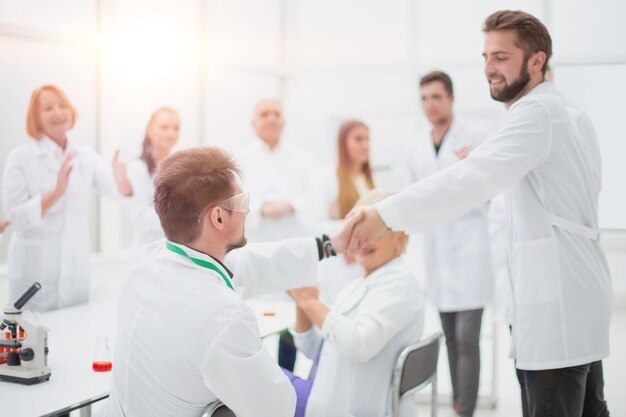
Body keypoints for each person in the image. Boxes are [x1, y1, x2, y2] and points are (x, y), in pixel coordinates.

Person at [345, 10, 611, 417]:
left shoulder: (535, 114)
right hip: (574, 298)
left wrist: (384, 214)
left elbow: (468, 179)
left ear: (537, 61)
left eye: (501, 57)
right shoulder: (563, 114)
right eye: (485, 57)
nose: (489, 68)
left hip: (555, 306)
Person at [102, 147, 358, 417]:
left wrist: (331, 244)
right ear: (219, 217)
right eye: (243, 202)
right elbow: (276, 409)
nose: (248, 211)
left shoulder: (149, 261)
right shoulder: (223, 315)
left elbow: (259, 262)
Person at [287, 190, 423, 417]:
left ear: (402, 237)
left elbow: (358, 344)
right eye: (358, 232)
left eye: (376, 232)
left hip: (344, 407)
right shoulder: (358, 286)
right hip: (324, 398)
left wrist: (311, 303)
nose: (364, 240)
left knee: (245, 382)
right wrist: (301, 302)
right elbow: (313, 350)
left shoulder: (398, 284)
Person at [1, 85, 132, 312]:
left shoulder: (85, 156)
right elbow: (16, 218)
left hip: (76, 273)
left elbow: (119, 195)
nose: (58, 112)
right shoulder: (20, 158)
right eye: (48, 108)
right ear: (36, 119)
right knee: (32, 339)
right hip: (34, 274)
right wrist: (56, 193)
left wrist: (122, 181)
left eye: (62, 106)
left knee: (74, 334)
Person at [407, 71, 492, 417]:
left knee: (469, 339)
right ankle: (459, 404)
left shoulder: (476, 138)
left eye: (436, 97)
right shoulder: (416, 149)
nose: (430, 104)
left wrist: (471, 164)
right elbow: (414, 199)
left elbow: (491, 192)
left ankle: (465, 410)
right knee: (451, 339)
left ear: (451, 99)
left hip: (470, 248)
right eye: (424, 98)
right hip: (438, 254)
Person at [236, 98, 314, 371]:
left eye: (276, 114)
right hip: (256, 248)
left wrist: (290, 205)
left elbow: (312, 199)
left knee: (290, 321)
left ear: (284, 122)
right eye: (264, 114)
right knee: (253, 319)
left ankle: (287, 378)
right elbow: (234, 202)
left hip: (290, 248)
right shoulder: (239, 160)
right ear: (253, 122)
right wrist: (260, 209)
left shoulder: (302, 158)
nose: (271, 119)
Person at [308, 120, 375, 305]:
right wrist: (354, 227)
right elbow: (314, 225)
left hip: (365, 264)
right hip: (338, 267)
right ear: (343, 143)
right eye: (358, 139)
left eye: (367, 139)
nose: (365, 145)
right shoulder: (324, 178)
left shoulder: (367, 179)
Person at [125, 107, 180, 247]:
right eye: (164, 127)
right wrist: (182, 217)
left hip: (175, 249)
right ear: (150, 130)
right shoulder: (138, 168)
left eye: (176, 128)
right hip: (148, 253)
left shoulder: (181, 166)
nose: (171, 133)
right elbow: (140, 217)